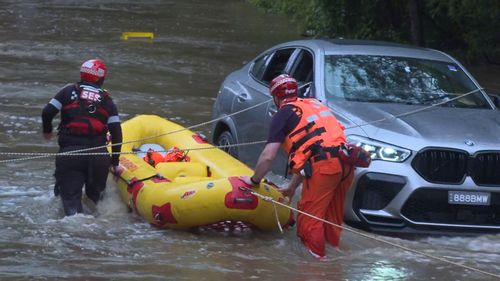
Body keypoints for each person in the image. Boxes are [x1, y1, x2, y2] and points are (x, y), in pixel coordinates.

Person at [241, 74, 361, 260]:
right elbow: (313, 151)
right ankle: (334, 262)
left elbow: (268, 156)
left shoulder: (283, 114)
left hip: (326, 166)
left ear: (275, 97)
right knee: (330, 218)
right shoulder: (315, 104)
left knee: (309, 222)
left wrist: (254, 180)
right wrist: (291, 187)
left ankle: (316, 269)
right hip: (346, 164)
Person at [42, 59, 122, 216]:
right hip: (99, 156)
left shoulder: (68, 91)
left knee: (71, 205)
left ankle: (74, 232)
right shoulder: (107, 100)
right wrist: (115, 162)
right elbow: (116, 132)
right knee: (96, 202)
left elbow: (47, 112)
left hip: (71, 154)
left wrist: (47, 130)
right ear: (101, 78)